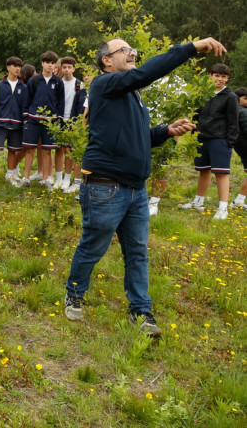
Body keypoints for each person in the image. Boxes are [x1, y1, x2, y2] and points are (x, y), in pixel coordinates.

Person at [64, 36, 225, 336]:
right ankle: (74, 292)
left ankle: (141, 312)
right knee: (93, 246)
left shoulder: (133, 95)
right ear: (107, 61)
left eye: (131, 49)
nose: (132, 53)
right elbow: (145, 74)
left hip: (136, 190)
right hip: (105, 187)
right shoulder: (103, 84)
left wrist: (165, 131)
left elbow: (137, 136)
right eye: (123, 50)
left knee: (137, 252)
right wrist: (190, 48)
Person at [178, 63, 239, 220]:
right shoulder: (204, 93)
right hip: (202, 137)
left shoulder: (230, 97)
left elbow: (234, 121)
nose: (219, 79)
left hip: (220, 139)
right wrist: (193, 132)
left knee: (221, 173)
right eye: (217, 75)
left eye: (223, 76)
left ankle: (223, 208)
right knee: (203, 170)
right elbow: (197, 114)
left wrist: (229, 142)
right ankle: (198, 202)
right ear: (210, 76)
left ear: (227, 79)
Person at [21, 51, 63, 188]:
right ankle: (25, 178)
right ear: (42, 63)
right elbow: (27, 100)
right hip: (33, 120)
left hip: (50, 122)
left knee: (46, 151)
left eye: (52, 63)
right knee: (29, 150)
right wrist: (26, 117)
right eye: (47, 63)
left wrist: (58, 119)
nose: (50, 65)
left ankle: (45, 179)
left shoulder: (58, 82)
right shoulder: (34, 80)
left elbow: (60, 102)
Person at [0, 57, 27, 187]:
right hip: (0, 124)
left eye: (19, 66)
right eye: (15, 66)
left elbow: (24, 106)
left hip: (17, 125)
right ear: (8, 67)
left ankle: (10, 175)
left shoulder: (24, 87)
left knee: (13, 150)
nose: (17, 68)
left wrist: (23, 122)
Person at [55, 57, 88, 193]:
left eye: (69, 67)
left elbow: (82, 106)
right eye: (64, 67)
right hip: (58, 120)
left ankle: (68, 179)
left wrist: (77, 123)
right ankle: (58, 179)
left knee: (70, 151)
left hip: (73, 121)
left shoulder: (79, 85)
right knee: (58, 149)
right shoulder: (57, 83)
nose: (67, 70)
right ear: (61, 69)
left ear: (74, 69)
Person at [229, 87, 247, 210]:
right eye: (245, 99)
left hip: (240, 147)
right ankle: (239, 200)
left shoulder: (232, 112)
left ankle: (239, 200)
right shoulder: (243, 112)